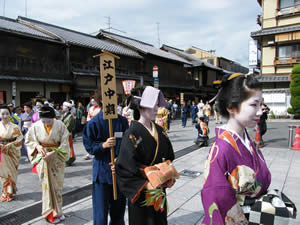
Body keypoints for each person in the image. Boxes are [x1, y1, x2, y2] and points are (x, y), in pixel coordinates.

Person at [201, 73, 272, 224]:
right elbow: (216, 196)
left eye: (261, 105)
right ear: (231, 107)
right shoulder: (221, 149)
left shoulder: (248, 140)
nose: (260, 111)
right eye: (254, 105)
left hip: (255, 214)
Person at [116, 86, 176, 225]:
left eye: (157, 105)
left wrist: (168, 175)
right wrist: (147, 185)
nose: (157, 109)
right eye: (154, 105)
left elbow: (169, 157)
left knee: (160, 220)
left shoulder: (160, 131)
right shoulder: (131, 134)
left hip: (159, 188)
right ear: (142, 107)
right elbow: (124, 168)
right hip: (142, 191)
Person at [82, 90, 129, 225]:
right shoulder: (94, 123)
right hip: (102, 173)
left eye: (115, 96)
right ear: (102, 100)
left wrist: (120, 158)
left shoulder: (122, 121)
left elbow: (127, 143)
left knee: (118, 212)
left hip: (119, 171)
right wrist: (103, 145)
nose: (114, 98)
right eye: (111, 96)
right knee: (100, 214)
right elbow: (89, 146)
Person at [25, 106, 70, 224]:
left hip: (56, 159)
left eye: (49, 120)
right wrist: (37, 146)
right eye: (43, 121)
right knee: (46, 187)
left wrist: (54, 152)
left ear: (53, 117)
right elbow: (29, 140)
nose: (46, 123)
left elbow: (65, 143)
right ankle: (48, 213)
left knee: (57, 187)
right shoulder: (35, 126)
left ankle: (58, 212)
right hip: (43, 158)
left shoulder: (60, 125)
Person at [0, 105, 23, 202]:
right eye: (3, 114)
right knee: (3, 173)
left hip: (12, 152)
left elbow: (20, 138)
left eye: (7, 113)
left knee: (12, 172)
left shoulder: (15, 126)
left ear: (10, 114)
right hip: (1, 152)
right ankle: (5, 192)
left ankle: (11, 191)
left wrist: (12, 144)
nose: (5, 116)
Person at [61, 101, 76, 166]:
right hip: (62, 133)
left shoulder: (70, 116)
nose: (62, 107)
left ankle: (69, 159)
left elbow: (69, 126)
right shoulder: (63, 115)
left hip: (67, 133)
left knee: (69, 147)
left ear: (67, 108)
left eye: (64, 106)